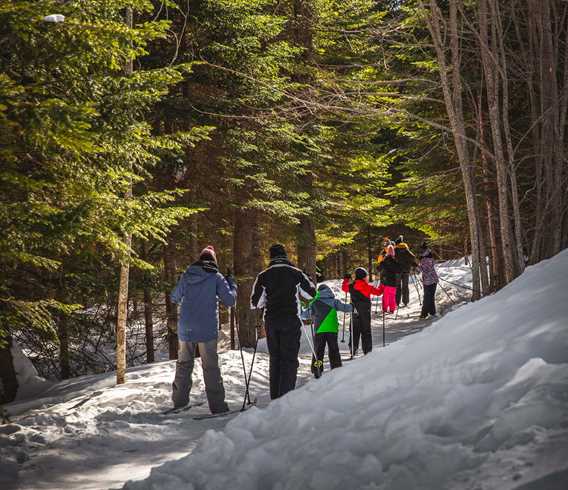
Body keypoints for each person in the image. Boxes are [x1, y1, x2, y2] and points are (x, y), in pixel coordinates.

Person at [170, 245, 237, 413]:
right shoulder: (216, 276)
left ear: (199, 260)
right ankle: (218, 406)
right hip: (206, 329)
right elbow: (230, 301)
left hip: (186, 328)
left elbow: (174, 297)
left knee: (184, 364)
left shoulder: (187, 275)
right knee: (210, 367)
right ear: (213, 260)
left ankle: (179, 402)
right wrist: (232, 284)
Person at [250, 244, 316, 400]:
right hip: (291, 319)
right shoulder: (296, 273)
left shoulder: (263, 275)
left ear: (271, 257)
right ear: (285, 256)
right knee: (289, 358)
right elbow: (312, 294)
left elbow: (254, 303)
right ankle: (285, 398)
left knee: (276, 358)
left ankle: (275, 398)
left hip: (271, 320)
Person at [303, 282, 353, 378]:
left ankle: (317, 369)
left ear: (318, 292)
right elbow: (345, 308)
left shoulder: (315, 302)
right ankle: (336, 367)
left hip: (319, 330)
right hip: (332, 329)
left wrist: (301, 311)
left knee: (318, 350)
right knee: (333, 348)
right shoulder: (334, 301)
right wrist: (352, 306)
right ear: (329, 291)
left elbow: (305, 315)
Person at [341, 267, 383, 356]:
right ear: (363, 277)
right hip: (365, 312)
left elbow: (344, 288)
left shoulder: (351, 285)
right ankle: (367, 350)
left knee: (354, 331)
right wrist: (383, 284)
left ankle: (353, 348)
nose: (367, 278)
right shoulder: (366, 286)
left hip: (355, 312)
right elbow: (379, 292)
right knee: (366, 330)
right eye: (367, 276)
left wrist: (346, 280)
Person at [394, 235, 418, 307]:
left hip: (397, 271)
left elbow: (392, 259)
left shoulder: (395, 250)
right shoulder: (406, 249)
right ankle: (405, 302)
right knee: (405, 286)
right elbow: (412, 257)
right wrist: (413, 264)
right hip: (406, 271)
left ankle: (397, 302)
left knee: (397, 286)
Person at [378, 244, 401, 314]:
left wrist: (381, 265)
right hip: (393, 282)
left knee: (386, 296)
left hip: (386, 281)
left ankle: (385, 309)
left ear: (387, 252)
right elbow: (399, 270)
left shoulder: (384, 260)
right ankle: (392, 309)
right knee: (392, 296)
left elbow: (379, 268)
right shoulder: (395, 261)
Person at [418, 243, 439, 319]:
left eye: (421, 249)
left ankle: (424, 314)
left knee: (427, 297)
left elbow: (425, 270)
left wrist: (417, 267)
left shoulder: (425, 258)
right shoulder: (429, 256)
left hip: (428, 280)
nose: (420, 251)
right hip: (432, 279)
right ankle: (432, 312)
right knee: (430, 296)